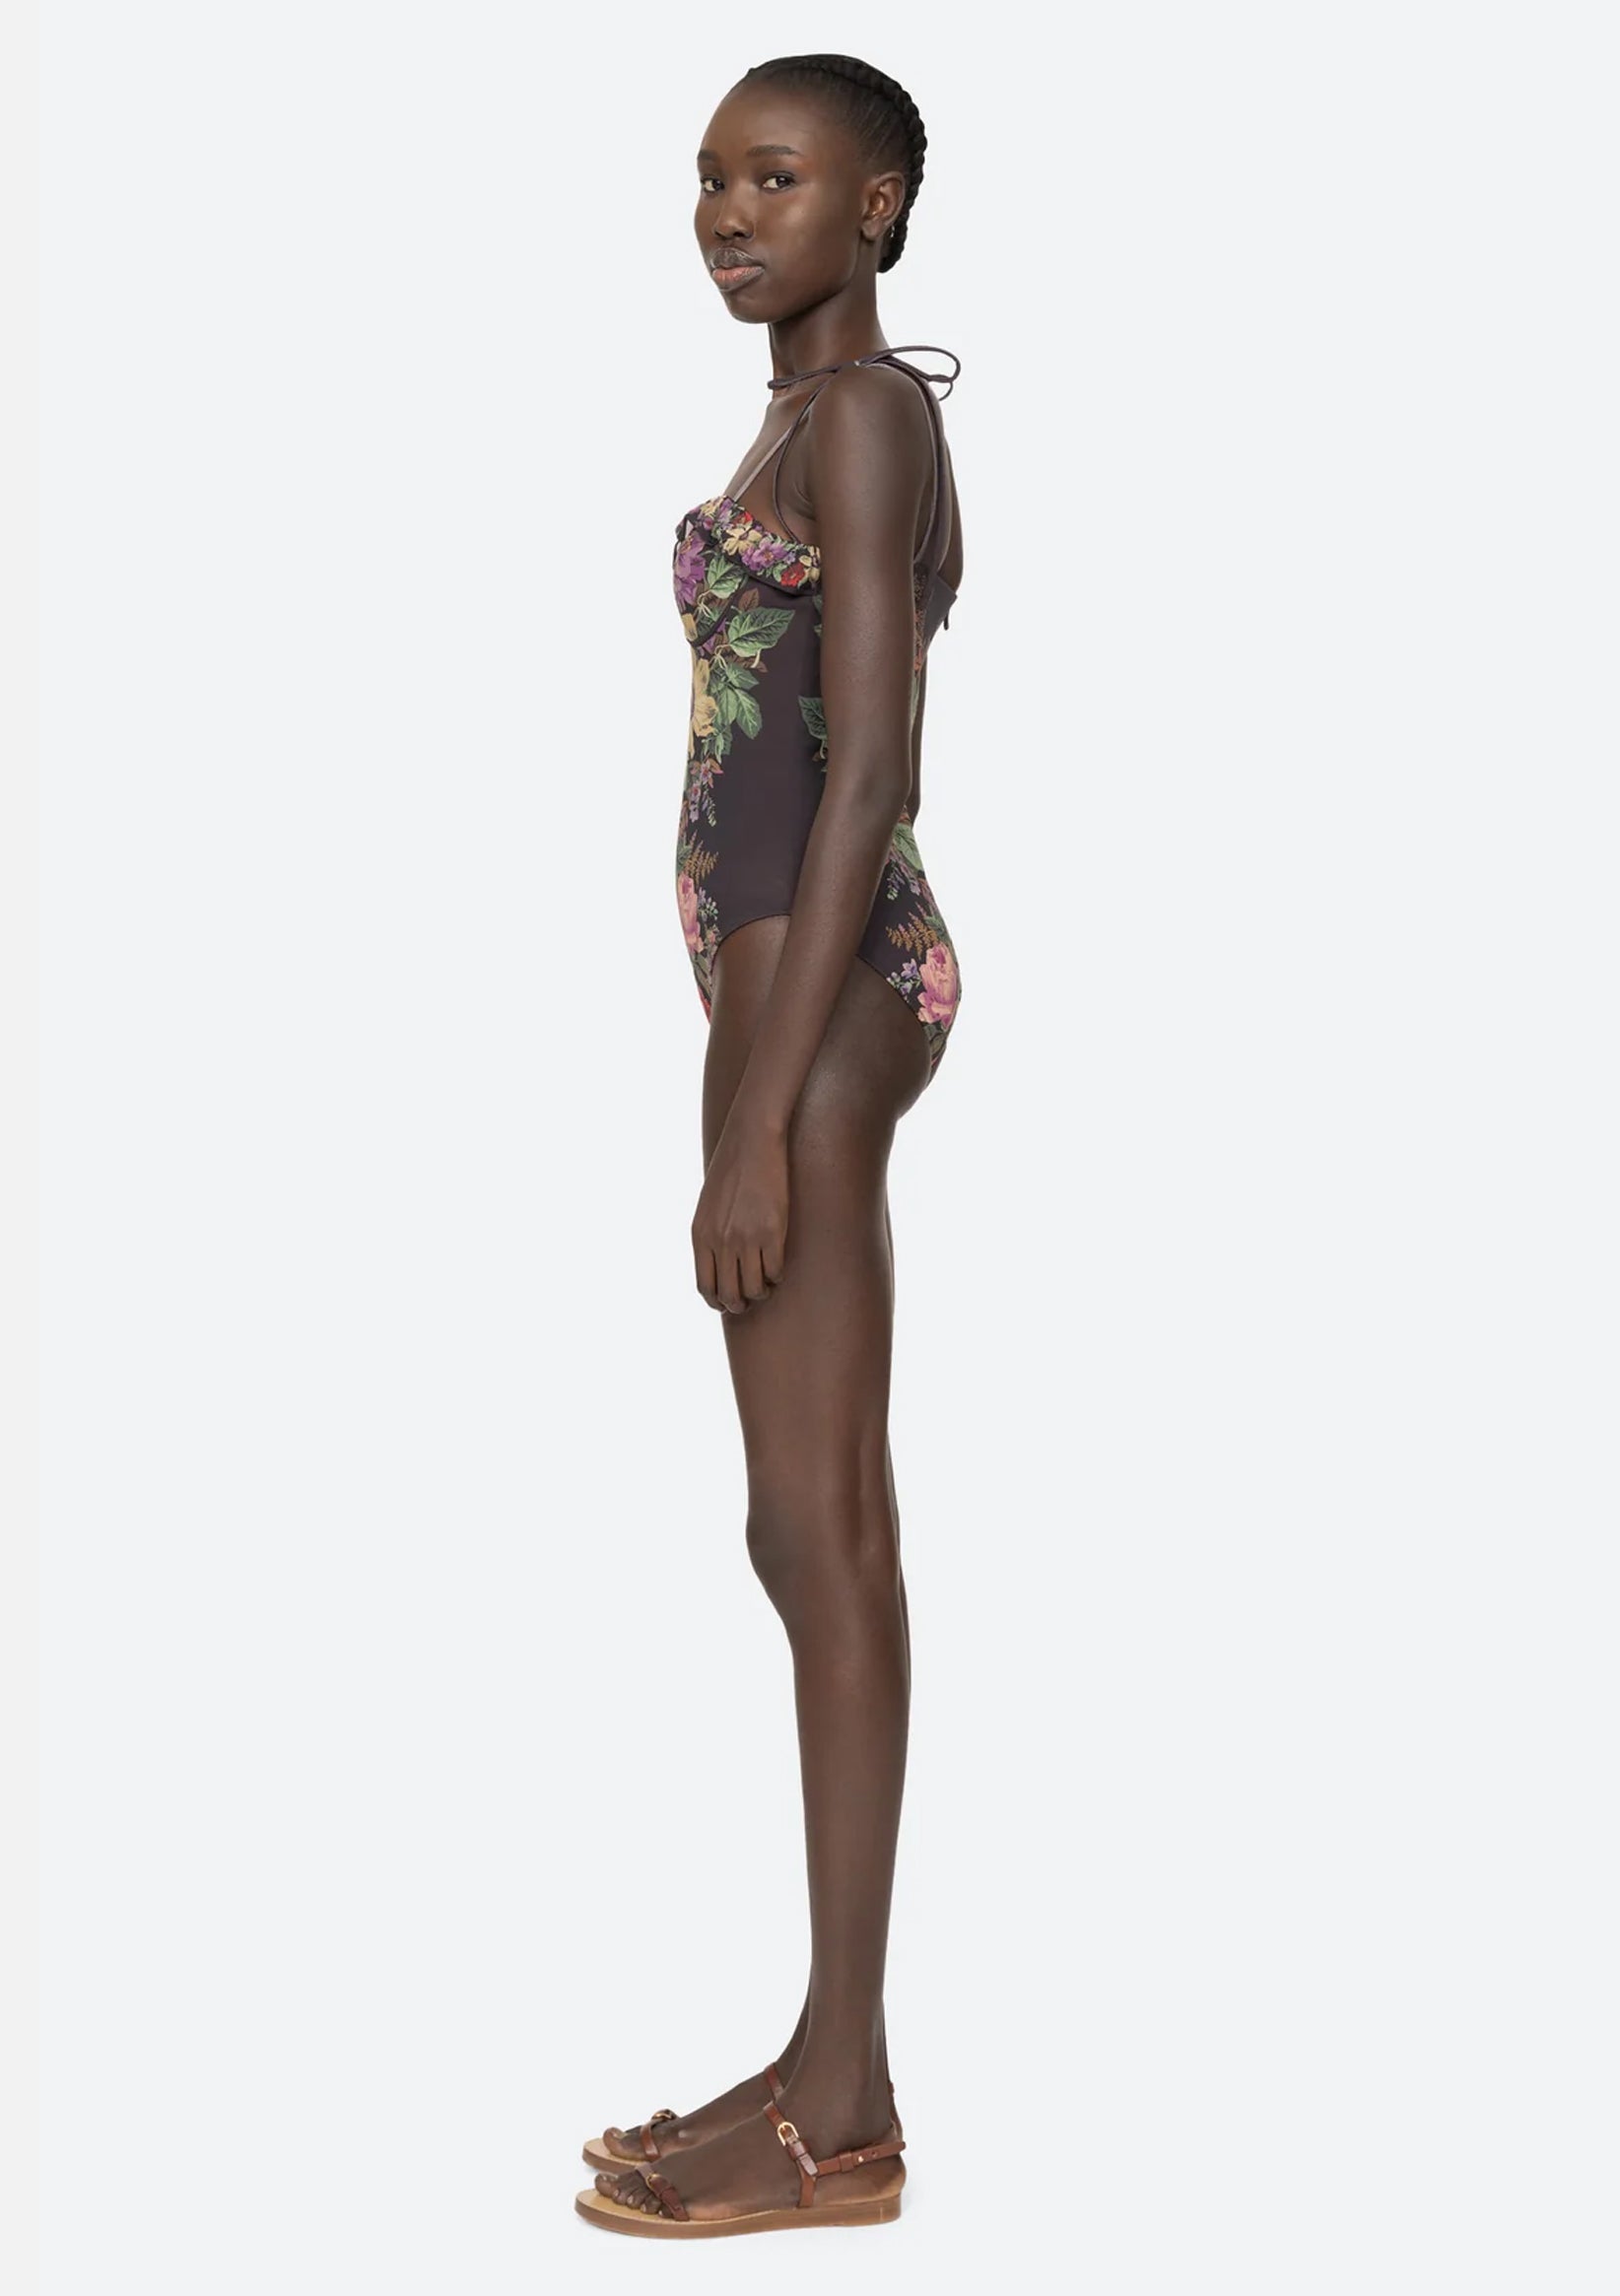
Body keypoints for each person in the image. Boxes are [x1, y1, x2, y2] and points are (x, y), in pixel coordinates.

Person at [573, 52, 966, 2241]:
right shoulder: (797, 416)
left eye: (780, 175)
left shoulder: (868, 415)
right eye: (712, 178)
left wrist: (753, 1123)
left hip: (815, 1019)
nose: (732, 210)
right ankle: (827, 2063)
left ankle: (841, 2116)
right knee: (796, 1530)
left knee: (825, 1540)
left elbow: (870, 767)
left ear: (876, 205)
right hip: (776, 1017)